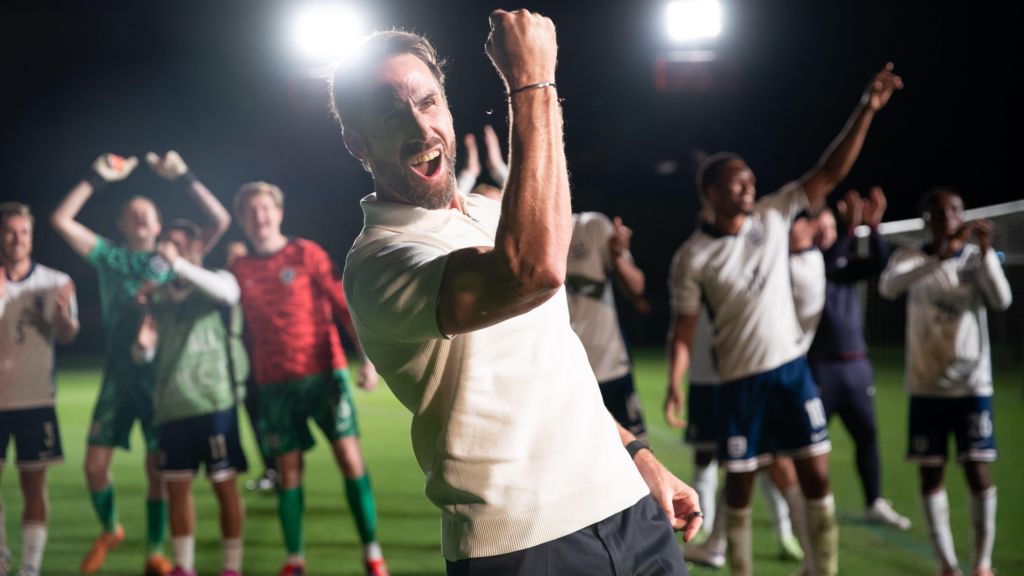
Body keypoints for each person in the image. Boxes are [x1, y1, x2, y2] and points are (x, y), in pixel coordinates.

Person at [333, 12, 701, 576]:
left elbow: (556, 369)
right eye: (391, 113)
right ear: (357, 145)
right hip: (522, 545)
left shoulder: (491, 215)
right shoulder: (379, 262)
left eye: (428, 102)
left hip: (629, 506)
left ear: (449, 110)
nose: (420, 125)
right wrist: (532, 82)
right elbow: (531, 273)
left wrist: (637, 455)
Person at [665, 63, 903, 576]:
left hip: (792, 372)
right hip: (737, 382)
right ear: (709, 193)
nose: (748, 187)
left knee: (816, 477)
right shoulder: (692, 258)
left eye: (750, 179)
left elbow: (829, 171)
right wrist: (675, 383)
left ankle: (824, 569)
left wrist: (867, 108)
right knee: (742, 486)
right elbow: (682, 327)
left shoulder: (772, 217)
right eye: (735, 182)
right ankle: (743, 569)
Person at [50, 151, 230, 575]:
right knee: (94, 467)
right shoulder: (109, 256)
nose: (139, 219)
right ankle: (111, 528)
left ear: (158, 222)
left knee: (157, 471)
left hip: (160, 380)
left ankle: (154, 551)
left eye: (147, 213)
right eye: (131, 214)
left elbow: (220, 220)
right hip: (117, 377)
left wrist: (185, 176)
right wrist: (96, 177)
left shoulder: (172, 260)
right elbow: (61, 220)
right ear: (121, 224)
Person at [229, 182, 387, 576]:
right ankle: (294, 560)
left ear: (279, 212)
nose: (259, 217)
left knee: (350, 460)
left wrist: (367, 360)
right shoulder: (239, 268)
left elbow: (344, 307)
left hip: (324, 375)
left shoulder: (306, 254)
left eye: (265, 209)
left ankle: (372, 552)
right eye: (250, 211)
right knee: (288, 471)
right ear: (241, 219)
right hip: (274, 383)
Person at [879, 188, 1011, 576]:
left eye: (955, 210)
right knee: (931, 473)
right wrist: (939, 256)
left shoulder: (975, 258)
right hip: (926, 386)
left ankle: (982, 562)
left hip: (972, 386)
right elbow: (888, 287)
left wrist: (985, 255)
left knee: (978, 471)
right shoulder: (910, 255)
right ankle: (947, 565)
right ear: (926, 219)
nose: (949, 216)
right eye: (939, 211)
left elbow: (1002, 300)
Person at [131, 220, 248, 576]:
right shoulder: (158, 297)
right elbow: (143, 357)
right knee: (177, 489)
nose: (171, 252)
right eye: (167, 246)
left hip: (214, 404)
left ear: (195, 248)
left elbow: (230, 294)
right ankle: (184, 565)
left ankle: (231, 567)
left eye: (179, 245)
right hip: (171, 407)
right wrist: (142, 347)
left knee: (224, 486)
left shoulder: (215, 282)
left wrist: (179, 263)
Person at [808, 187, 911, 530]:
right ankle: (799, 504)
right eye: (821, 228)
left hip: (856, 367)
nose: (827, 234)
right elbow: (829, 264)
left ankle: (874, 502)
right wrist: (850, 232)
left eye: (831, 229)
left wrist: (873, 226)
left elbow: (877, 263)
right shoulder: (807, 264)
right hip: (821, 367)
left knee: (867, 435)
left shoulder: (843, 264)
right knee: (808, 444)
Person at [0, 202, 79, 576]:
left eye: (24, 231)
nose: (18, 239)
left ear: (32, 236)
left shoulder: (54, 281)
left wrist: (64, 320)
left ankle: (30, 569)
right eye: (10, 231)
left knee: (34, 485)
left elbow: (67, 335)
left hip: (35, 399)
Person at [566, 212, 649, 437]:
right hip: (563, 378)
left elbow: (636, 287)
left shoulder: (592, 225)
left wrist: (618, 257)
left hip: (610, 367)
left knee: (638, 456)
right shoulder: (526, 238)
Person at [224, 240, 279, 492]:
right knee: (255, 420)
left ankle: (281, 469)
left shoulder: (257, 290)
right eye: (231, 259)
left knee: (271, 421)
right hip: (242, 369)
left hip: (267, 365)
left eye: (240, 258)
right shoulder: (225, 293)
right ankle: (271, 469)